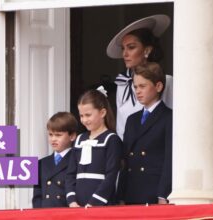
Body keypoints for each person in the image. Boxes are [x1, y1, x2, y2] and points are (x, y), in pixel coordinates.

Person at [106, 14, 173, 140]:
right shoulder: (123, 84)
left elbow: (172, 120)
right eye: (123, 48)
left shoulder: (167, 81)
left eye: (131, 47)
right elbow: (121, 126)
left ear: (147, 50)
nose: (125, 53)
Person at [119, 62, 172, 205]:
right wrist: (121, 195)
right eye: (135, 87)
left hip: (153, 191)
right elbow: (125, 160)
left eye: (143, 86)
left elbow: (169, 160)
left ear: (158, 86)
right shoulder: (132, 119)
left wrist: (163, 194)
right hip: (131, 190)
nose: (137, 91)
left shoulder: (169, 117)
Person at [66, 87, 122, 207]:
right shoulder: (79, 139)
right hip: (78, 206)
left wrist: (94, 203)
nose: (84, 120)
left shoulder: (111, 140)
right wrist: (72, 201)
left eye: (88, 115)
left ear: (102, 113)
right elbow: (70, 174)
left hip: (101, 205)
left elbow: (111, 176)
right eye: (81, 116)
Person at [32, 112, 78, 208]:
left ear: (72, 136)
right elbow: (37, 197)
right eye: (50, 134)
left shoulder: (77, 161)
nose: (53, 139)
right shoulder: (41, 163)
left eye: (58, 135)